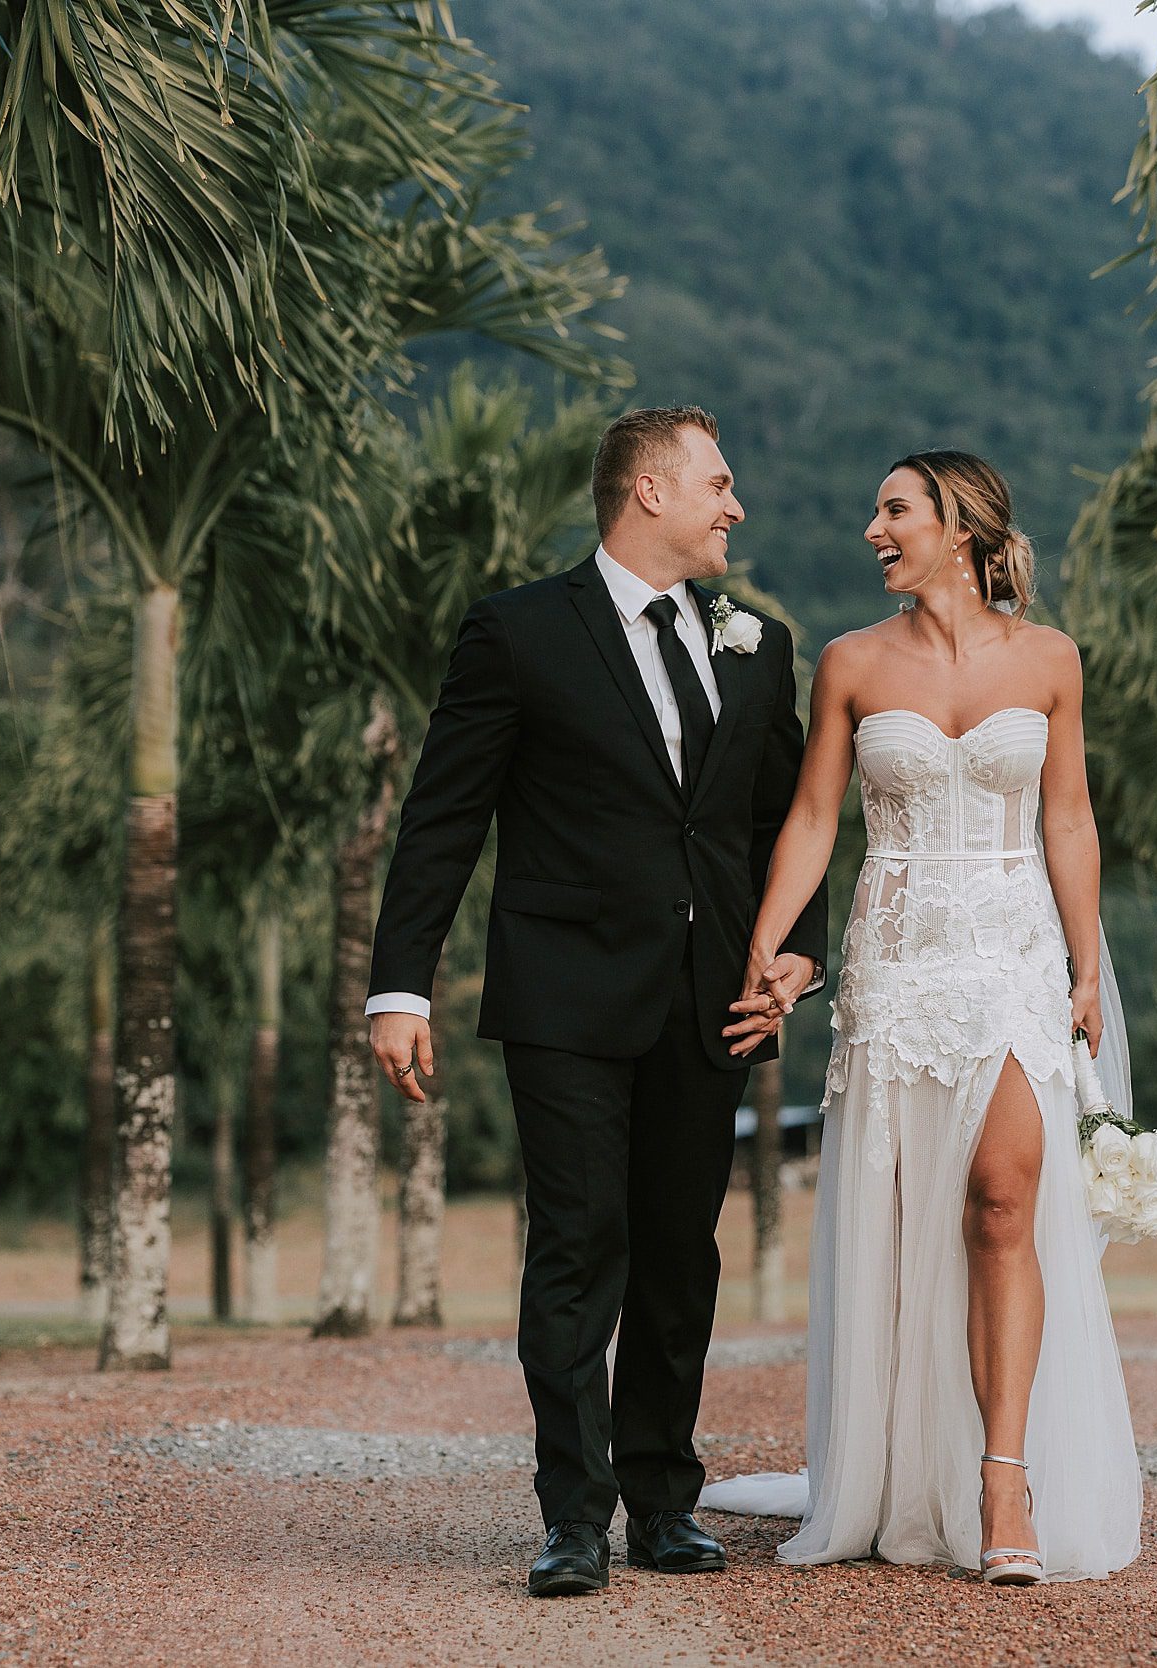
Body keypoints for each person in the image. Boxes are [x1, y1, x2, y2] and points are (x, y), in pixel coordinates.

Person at [364, 406, 830, 1598]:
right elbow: (445, 816)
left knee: (681, 1251)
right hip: (566, 994)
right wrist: (400, 985)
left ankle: (664, 1501)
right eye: (718, 484)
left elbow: (790, 821)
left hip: (713, 996)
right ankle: (572, 1516)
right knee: (579, 1247)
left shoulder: (757, 645)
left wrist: (795, 956)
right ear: (648, 493)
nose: (736, 506)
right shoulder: (519, 632)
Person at [711, 449, 1143, 1583]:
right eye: (876, 509)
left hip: (1012, 956)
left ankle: (1005, 1484)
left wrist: (1084, 970)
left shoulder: (1050, 660)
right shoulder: (851, 663)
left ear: (958, 526)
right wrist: (768, 939)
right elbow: (813, 819)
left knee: (1004, 1199)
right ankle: (903, 1473)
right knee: (906, 1225)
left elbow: (1070, 823)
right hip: (896, 964)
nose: (872, 528)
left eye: (893, 509)